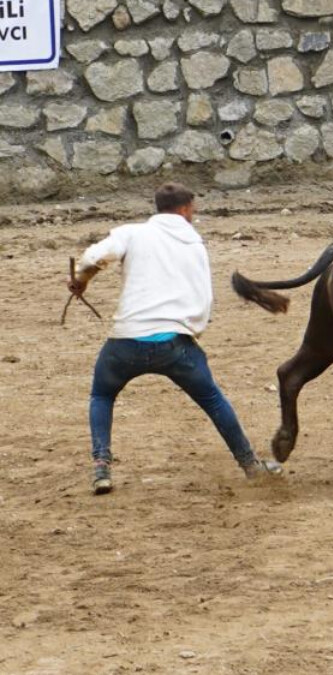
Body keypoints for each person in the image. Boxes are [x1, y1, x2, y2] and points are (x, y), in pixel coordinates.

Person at [69, 182, 282, 495]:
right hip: (175, 343)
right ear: (184, 209)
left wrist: (81, 280)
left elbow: (93, 257)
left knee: (102, 395)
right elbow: (203, 298)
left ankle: (101, 467)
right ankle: (249, 464)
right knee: (212, 399)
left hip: (126, 342)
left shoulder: (132, 233)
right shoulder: (194, 244)